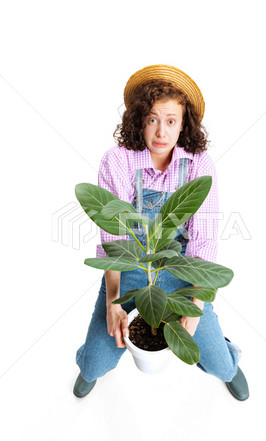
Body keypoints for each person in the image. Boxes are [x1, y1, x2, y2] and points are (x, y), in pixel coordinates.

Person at [73, 64, 249, 401]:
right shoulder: (118, 161)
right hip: (128, 270)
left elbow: (205, 241)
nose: (161, 132)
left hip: (180, 269)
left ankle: (227, 355)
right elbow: (113, 240)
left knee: (219, 366)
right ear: (139, 119)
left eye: (171, 121)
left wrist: (196, 305)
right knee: (93, 365)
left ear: (183, 124)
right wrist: (114, 304)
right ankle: (92, 356)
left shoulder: (199, 166)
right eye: (153, 119)